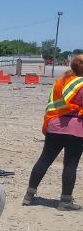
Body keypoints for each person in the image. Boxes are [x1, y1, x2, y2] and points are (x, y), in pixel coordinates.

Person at [23, 54, 83, 210]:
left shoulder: (61, 81)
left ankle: (29, 195)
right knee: (70, 164)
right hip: (76, 128)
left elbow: (54, 103)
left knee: (44, 159)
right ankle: (65, 201)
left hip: (55, 124)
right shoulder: (81, 84)